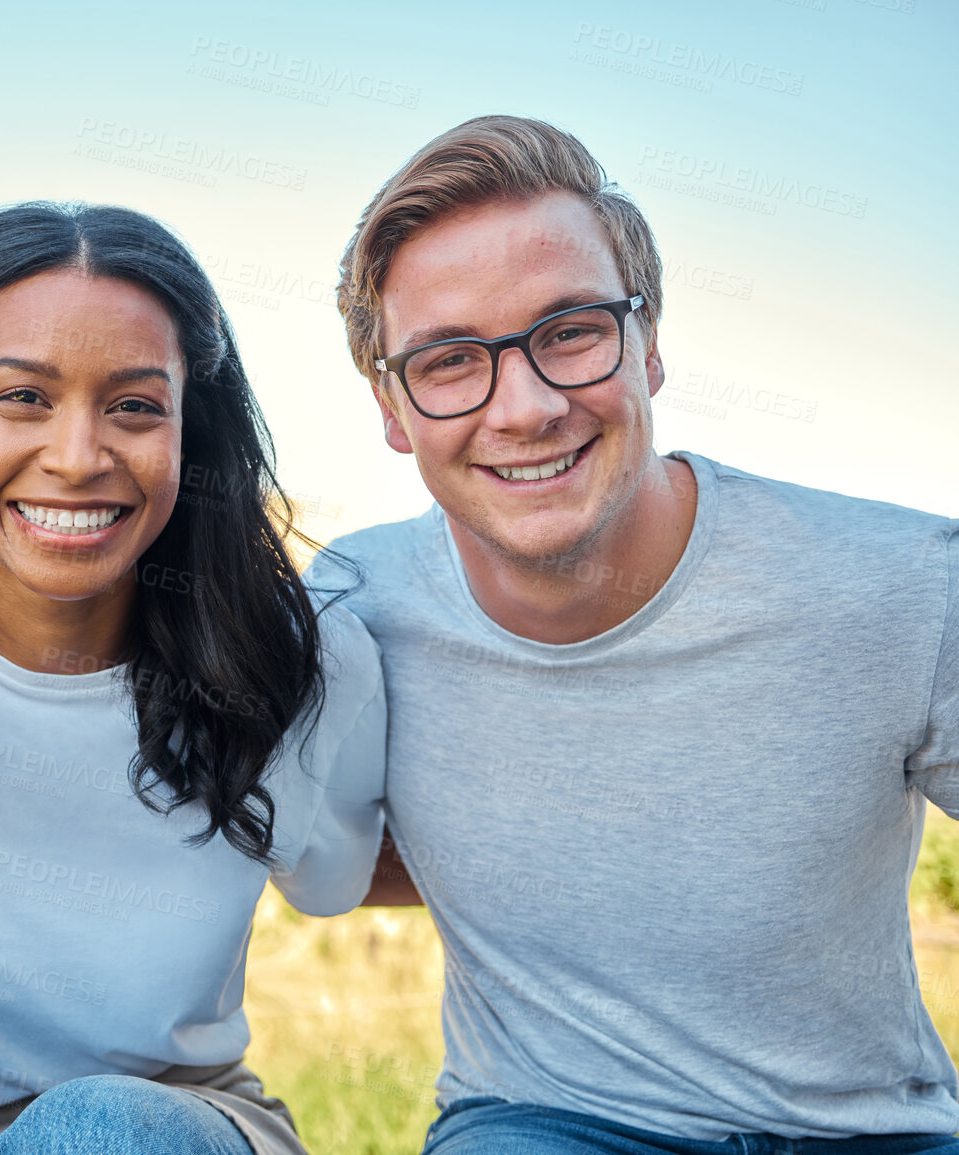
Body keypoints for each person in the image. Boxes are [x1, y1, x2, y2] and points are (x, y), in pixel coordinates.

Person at [318, 114, 959, 1152]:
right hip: (544, 1123)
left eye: (569, 332)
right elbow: (323, 847)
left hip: (870, 1132)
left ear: (648, 345)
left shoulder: (905, 586)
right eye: (447, 361)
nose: (522, 408)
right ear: (393, 408)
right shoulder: (356, 603)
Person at [0, 201, 389, 1154]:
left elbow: (331, 882)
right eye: (23, 397)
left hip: (173, 1125)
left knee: (92, 1132)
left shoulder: (305, 662)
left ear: (189, 431)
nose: (76, 456)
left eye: (135, 405)